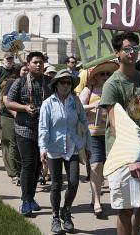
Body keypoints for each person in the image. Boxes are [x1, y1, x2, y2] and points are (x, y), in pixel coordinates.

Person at [99, 32, 140, 235]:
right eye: (127, 49)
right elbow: (115, 124)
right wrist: (129, 158)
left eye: (135, 49)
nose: (132, 53)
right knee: (125, 209)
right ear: (117, 53)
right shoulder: (112, 84)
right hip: (122, 154)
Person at [39, 68, 90, 234]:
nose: (66, 85)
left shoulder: (75, 101)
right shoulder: (48, 103)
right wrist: (43, 148)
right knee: (56, 185)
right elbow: (44, 128)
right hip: (54, 148)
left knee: (74, 183)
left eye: (69, 82)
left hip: (73, 147)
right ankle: (55, 217)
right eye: (63, 82)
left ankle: (66, 211)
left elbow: (84, 121)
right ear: (56, 84)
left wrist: (87, 145)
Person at [4, 51, 51, 216]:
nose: (39, 65)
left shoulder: (50, 82)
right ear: (28, 65)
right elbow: (8, 102)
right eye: (35, 62)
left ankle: (31, 197)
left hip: (44, 130)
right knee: (28, 163)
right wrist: (24, 108)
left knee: (38, 164)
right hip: (24, 128)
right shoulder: (20, 82)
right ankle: (25, 201)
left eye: (41, 62)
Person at [79, 60, 118, 217]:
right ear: (95, 76)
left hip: (111, 134)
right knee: (95, 166)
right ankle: (96, 201)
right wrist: (95, 106)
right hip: (93, 134)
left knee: (108, 168)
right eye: (102, 73)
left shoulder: (114, 90)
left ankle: (98, 194)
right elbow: (79, 107)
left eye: (108, 74)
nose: (105, 76)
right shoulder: (90, 89)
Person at [0, 53, 17, 159]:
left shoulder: (16, 70)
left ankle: (9, 146)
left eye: (11, 58)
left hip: (11, 102)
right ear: (3, 60)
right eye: (7, 59)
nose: (9, 60)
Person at [1, 64, 24, 185]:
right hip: (9, 116)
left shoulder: (30, 83)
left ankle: (20, 170)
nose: (25, 72)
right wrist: (16, 115)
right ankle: (14, 173)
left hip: (23, 116)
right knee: (12, 143)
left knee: (20, 145)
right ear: (18, 71)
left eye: (27, 70)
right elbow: (6, 101)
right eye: (23, 70)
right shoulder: (12, 82)